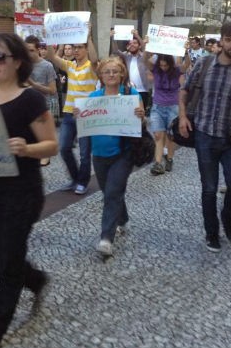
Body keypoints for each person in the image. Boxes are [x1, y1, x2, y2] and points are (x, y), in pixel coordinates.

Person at [0, 33, 58, 348]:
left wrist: (27, 147)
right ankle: (34, 278)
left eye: (0, 57)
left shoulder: (31, 99)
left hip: (20, 191)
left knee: (8, 258)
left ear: (17, 61)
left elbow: (52, 145)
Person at [178, 21, 231, 253]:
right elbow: (185, 91)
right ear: (221, 40)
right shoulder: (204, 64)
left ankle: (227, 215)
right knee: (209, 188)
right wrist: (183, 116)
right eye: (229, 40)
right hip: (204, 135)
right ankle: (211, 233)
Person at [78, 57, 144, 256]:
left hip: (123, 153)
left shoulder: (130, 94)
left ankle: (106, 238)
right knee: (109, 191)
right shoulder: (94, 97)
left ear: (122, 74)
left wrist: (142, 116)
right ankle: (122, 218)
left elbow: (141, 125)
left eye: (115, 71)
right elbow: (85, 122)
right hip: (99, 154)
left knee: (113, 191)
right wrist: (79, 116)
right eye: (107, 72)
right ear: (101, 76)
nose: (112, 75)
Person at [46, 34, 98, 194]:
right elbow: (51, 57)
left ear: (86, 49)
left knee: (84, 153)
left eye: (79, 47)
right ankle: (75, 178)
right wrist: (51, 37)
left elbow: (95, 60)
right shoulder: (70, 65)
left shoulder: (91, 66)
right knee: (64, 148)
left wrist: (89, 38)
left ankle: (82, 181)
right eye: (74, 47)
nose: (75, 50)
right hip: (69, 113)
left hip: (85, 114)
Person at [144, 51, 183, 176]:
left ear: (170, 64)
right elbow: (145, 61)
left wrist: (185, 52)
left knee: (171, 136)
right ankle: (158, 163)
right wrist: (145, 48)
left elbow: (186, 65)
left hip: (173, 106)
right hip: (157, 106)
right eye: (161, 65)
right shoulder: (156, 69)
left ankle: (170, 159)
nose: (163, 68)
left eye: (166, 65)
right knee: (158, 135)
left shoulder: (177, 70)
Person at [25, 36, 58, 167]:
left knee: (45, 133)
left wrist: (33, 85)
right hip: (28, 102)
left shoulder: (47, 66)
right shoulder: (23, 65)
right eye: (26, 50)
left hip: (45, 102)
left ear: (38, 49)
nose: (28, 53)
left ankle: (45, 156)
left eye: (31, 50)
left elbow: (52, 90)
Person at [111, 30, 152, 115]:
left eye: (135, 43)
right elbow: (115, 51)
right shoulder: (126, 56)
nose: (132, 45)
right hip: (129, 90)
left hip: (143, 90)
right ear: (127, 47)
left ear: (139, 46)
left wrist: (137, 36)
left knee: (141, 114)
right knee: (129, 114)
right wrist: (113, 38)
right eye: (130, 44)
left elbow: (146, 48)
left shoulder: (144, 56)